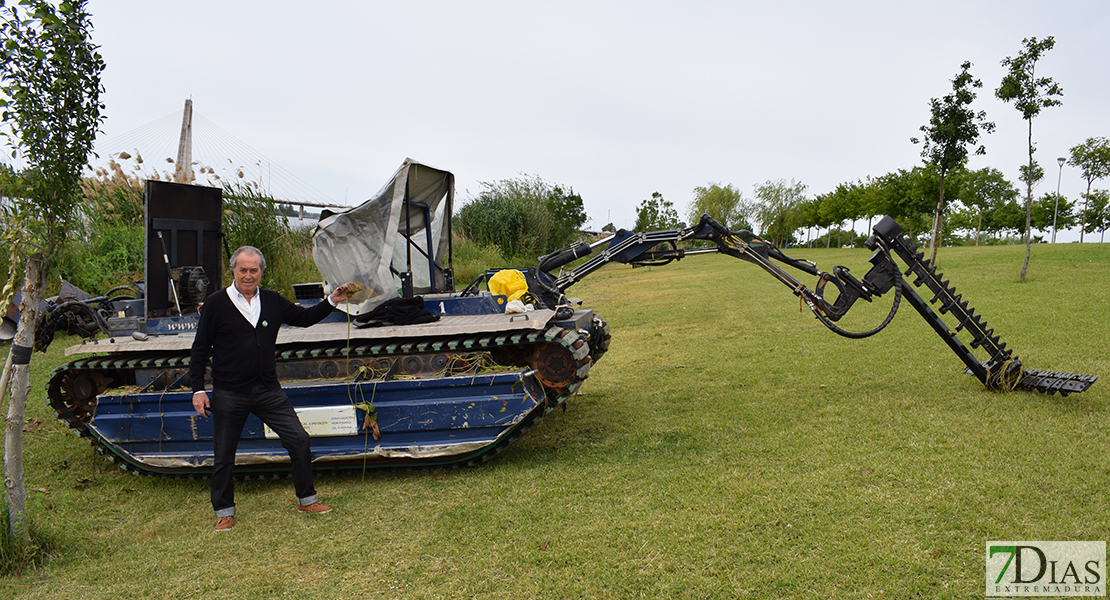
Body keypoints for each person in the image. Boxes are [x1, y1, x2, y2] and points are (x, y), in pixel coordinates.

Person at [190, 245, 356, 533]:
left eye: (254, 270)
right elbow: (200, 349)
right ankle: (224, 512)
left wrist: (333, 300)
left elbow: (303, 318)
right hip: (229, 393)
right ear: (233, 270)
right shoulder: (216, 303)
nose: (248, 275)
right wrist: (197, 389)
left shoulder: (271, 301)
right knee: (224, 455)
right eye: (243, 269)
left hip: (267, 390)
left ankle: (306, 499)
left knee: (299, 440)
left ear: (262, 272)